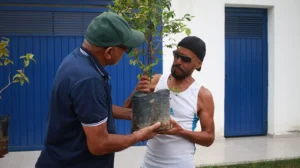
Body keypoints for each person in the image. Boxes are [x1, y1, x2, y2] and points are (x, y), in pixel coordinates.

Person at [35, 11, 161, 168]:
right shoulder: (88, 79)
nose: (126, 53)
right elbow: (99, 145)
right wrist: (138, 135)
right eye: (126, 49)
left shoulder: (76, 60)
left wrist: (134, 114)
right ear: (109, 51)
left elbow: (92, 110)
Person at [124, 36, 215, 168]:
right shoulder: (156, 81)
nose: (178, 61)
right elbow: (127, 111)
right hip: (149, 163)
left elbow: (209, 138)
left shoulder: (202, 95)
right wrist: (136, 92)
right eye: (176, 55)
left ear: (198, 64)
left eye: (185, 59)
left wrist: (180, 131)